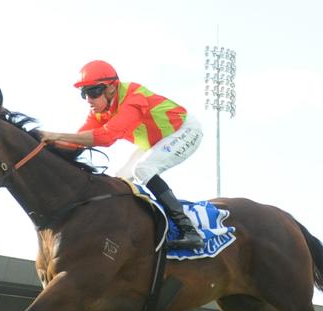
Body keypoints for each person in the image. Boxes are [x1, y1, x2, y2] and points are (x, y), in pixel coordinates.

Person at [39, 60, 204, 250]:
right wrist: (39, 143)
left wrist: (56, 135)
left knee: (143, 169)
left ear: (111, 88)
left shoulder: (133, 98)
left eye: (93, 92)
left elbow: (107, 137)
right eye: (84, 94)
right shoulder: (100, 111)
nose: (88, 100)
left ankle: (189, 231)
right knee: (120, 179)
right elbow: (76, 141)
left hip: (184, 130)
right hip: (157, 140)